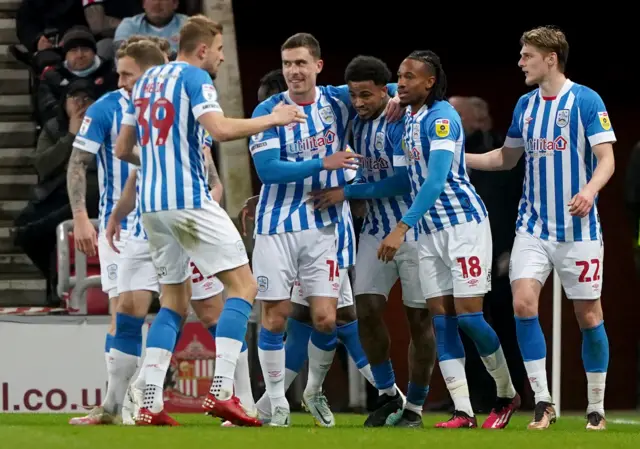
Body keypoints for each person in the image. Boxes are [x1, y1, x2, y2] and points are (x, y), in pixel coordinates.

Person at [114, 14, 305, 427]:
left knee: (172, 302)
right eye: (219, 51)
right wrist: (274, 118)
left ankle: (149, 401)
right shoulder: (195, 78)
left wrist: (162, 162)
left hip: (152, 206)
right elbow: (217, 130)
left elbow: (124, 147)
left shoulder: (144, 82)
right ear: (202, 49)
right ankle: (221, 391)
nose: (220, 59)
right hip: (188, 201)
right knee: (245, 286)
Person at [248, 32, 403, 427]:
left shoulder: (336, 100)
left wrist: (397, 98)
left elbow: (372, 89)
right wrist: (324, 163)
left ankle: (312, 392)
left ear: (318, 66)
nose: (293, 72)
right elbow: (268, 171)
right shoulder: (268, 110)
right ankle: (277, 405)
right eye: (287, 64)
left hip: (326, 229)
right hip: (277, 225)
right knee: (276, 316)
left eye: (301, 63)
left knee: (326, 319)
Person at [465, 26, 615, 431]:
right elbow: (505, 158)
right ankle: (543, 403)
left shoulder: (586, 99)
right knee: (521, 304)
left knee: (589, 315)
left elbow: (606, 159)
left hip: (579, 230)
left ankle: (595, 407)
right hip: (532, 228)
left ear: (550, 58)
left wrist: (588, 190)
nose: (520, 62)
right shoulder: (525, 105)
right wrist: (456, 159)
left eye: (527, 55)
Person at [375, 50, 520, 429]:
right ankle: (463, 411)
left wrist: (400, 228)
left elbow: (436, 181)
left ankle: (506, 394)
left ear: (430, 82)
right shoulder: (408, 116)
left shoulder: (442, 119)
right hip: (429, 232)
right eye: (400, 76)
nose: (402, 82)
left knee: (470, 317)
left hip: (463, 227)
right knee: (441, 321)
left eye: (410, 77)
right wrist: (391, 92)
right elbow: (407, 177)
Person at [308, 55, 437, 428]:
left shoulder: (400, 121)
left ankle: (413, 407)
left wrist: (347, 192)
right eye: (354, 96)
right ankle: (385, 394)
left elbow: (401, 181)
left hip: (411, 231)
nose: (359, 103)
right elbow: (324, 90)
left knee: (418, 320)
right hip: (375, 231)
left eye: (367, 95)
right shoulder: (356, 116)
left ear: (383, 91)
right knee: (364, 309)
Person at [66, 37, 168, 426]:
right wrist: (80, 216)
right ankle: (119, 403)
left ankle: (144, 396)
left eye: (127, 73)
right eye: (120, 73)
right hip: (121, 227)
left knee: (197, 308)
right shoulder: (106, 108)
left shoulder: (172, 104)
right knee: (122, 311)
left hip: (171, 221)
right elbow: (78, 163)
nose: (120, 80)